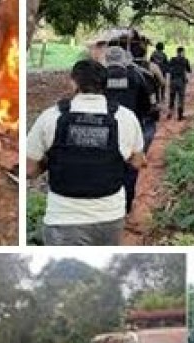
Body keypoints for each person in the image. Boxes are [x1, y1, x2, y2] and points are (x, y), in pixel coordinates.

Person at [27, 59, 147, 246]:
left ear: (73, 82)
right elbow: (138, 161)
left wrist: (48, 163)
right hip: (110, 216)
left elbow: (29, 170)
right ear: (104, 84)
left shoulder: (51, 117)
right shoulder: (125, 117)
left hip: (63, 219)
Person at [104, 46, 155, 214]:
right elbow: (147, 105)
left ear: (107, 59)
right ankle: (126, 205)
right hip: (131, 128)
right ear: (124, 59)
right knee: (132, 166)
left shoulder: (100, 77)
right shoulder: (136, 76)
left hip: (104, 127)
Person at [168, 47, 192, 121]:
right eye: (183, 52)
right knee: (181, 98)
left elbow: (168, 69)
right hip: (181, 81)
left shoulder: (172, 59)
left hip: (173, 81)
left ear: (177, 52)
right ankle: (180, 116)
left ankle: (170, 113)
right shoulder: (185, 60)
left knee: (172, 97)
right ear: (181, 52)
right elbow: (189, 70)